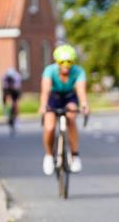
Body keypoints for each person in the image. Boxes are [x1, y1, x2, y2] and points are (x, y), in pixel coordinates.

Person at [38, 44, 89, 175]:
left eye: (69, 62)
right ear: (57, 62)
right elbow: (45, 91)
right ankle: (49, 156)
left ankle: (75, 155)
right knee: (49, 127)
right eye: (62, 62)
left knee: (71, 117)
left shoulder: (78, 72)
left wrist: (84, 104)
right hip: (53, 97)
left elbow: (81, 90)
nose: (65, 65)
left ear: (73, 62)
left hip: (69, 97)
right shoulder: (49, 70)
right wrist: (43, 106)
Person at [2, 67, 22, 131]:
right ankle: (6, 111)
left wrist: (15, 102)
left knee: (16, 104)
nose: (10, 79)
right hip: (7, 89)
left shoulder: (17, 77)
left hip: (15, 90)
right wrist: (8, 99)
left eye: (11, 79)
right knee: (7, 99)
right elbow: (5, 88)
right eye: (9, 78)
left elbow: (17, 88)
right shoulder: (5, 77)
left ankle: (17, 120)